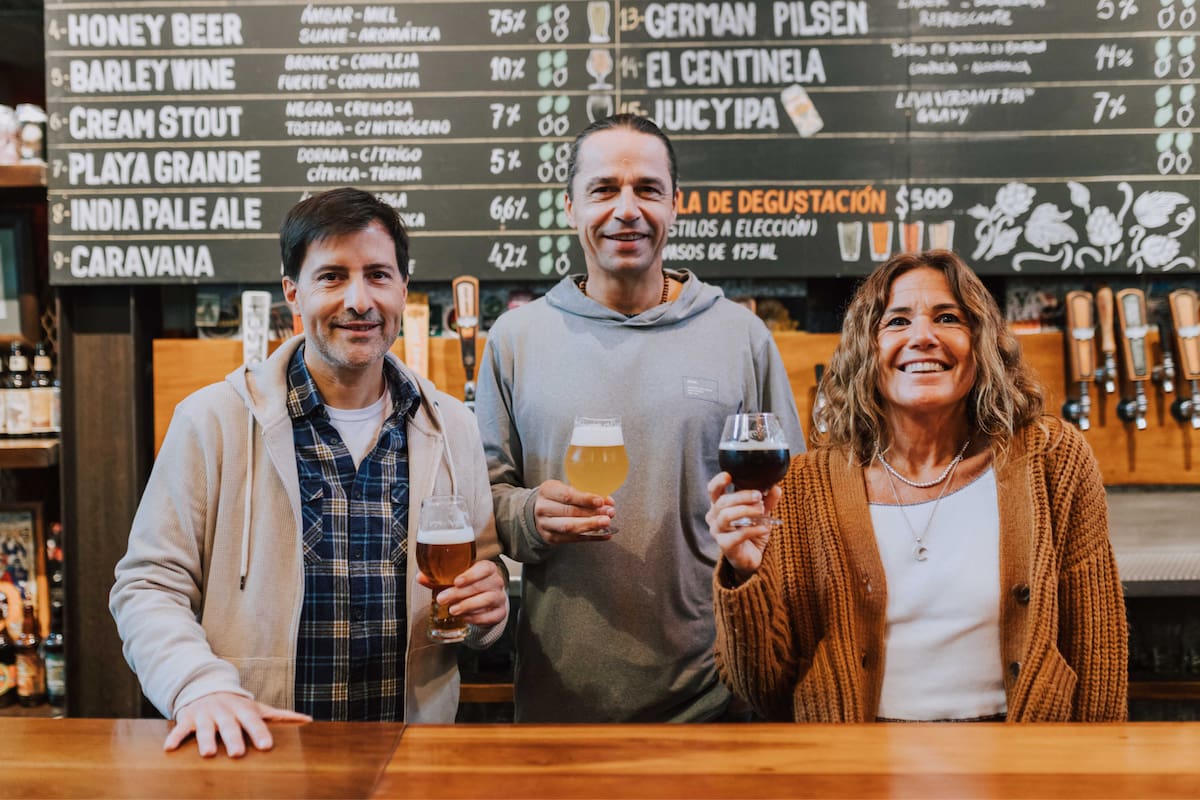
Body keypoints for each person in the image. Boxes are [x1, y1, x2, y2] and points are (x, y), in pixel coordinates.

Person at [110, 188, 508, 757]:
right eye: (331, 277)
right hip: (257, 751)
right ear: (293, 293)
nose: (359, 300)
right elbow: (148, 586)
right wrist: (197, 686)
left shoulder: (451, 427)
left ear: (402, 288)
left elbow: (479, 583)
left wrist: (488, 612)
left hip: (409, 757)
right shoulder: (212, 420)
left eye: (377, 275)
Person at [475, 114, 804, 722]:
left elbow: (798, 504)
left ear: (675, 206)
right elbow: (482, 500)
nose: (627, 209)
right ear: (570, 208)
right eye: (604, 189)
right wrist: (528, 514)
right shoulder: (517, 338)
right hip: (560, 701)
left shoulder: (740, 336)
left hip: (720, 699)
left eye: (647, 189)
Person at [708, 250, 1128, 722]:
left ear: (982, 341)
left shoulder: (1052, 459)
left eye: (947, 318)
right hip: (855, 771)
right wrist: (746, 575)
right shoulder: (804, 487)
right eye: (897, 322)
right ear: (867, 348)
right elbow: (761, 690)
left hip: (1020, 765)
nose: (922, 337)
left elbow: (1097, 654)